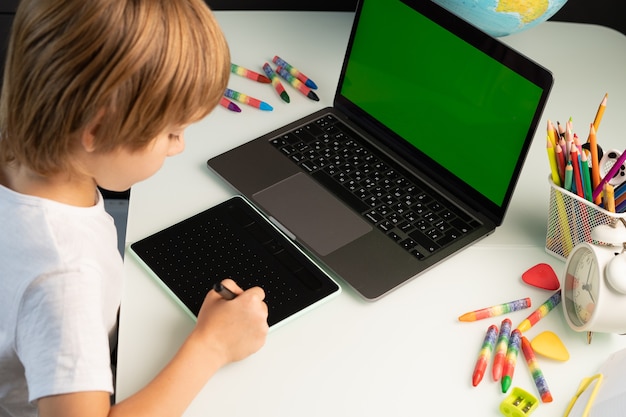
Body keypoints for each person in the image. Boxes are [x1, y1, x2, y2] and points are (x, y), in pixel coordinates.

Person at [0, 0, 269, 416]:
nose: (180, 146)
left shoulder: (21, 144)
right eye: (172, 133)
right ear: (96, 130)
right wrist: (211, 346)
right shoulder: (64, 281)